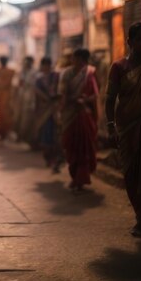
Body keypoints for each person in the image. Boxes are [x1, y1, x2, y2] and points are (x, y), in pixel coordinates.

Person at [105, 22, 141, 237]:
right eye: (140, 39)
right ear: (130, 42)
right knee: (132, 173)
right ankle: (140, 216)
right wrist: (110, 126)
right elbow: (110, 99)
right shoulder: (119, 67)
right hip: (128, 128)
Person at [59, 48, 99, 193]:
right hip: (69, 114)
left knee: (83, 149)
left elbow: (95, 95)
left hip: (83, 114)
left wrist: (84, 100)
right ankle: (74, 177)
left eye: (75, 58)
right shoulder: (66, 73)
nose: (72, 60)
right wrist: (61, 111)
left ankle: (80, 180)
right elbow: (62, 94)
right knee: (70, 148)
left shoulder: (90, 73)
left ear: (82, 59)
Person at [33, 57, 61, 171]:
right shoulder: (39, 80)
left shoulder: (56, 77)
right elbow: (37, 97)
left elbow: (60, 91)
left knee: (56, 134)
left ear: (50, 65)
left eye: (47, 65)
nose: (45, 67)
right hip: (44, 111)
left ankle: (56, 159)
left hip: (55, 109)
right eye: (44, 65)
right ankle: (49, 159)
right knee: (46, 134)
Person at [15, 56, 37, 145]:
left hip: (30, 99)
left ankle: (28, 138)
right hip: (21, 97)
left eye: (28, 62)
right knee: (18, 117)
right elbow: (19, 84)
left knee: (28, 119)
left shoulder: (35, 73)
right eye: (25, 62)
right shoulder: (22, 72)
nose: (27, 64)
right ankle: (20, 136)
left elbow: (32, 85)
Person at [0, 56, 15, 140]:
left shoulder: (10, 71)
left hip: (5, 96)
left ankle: (5, 132)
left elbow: (4, 83)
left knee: (5, 113)